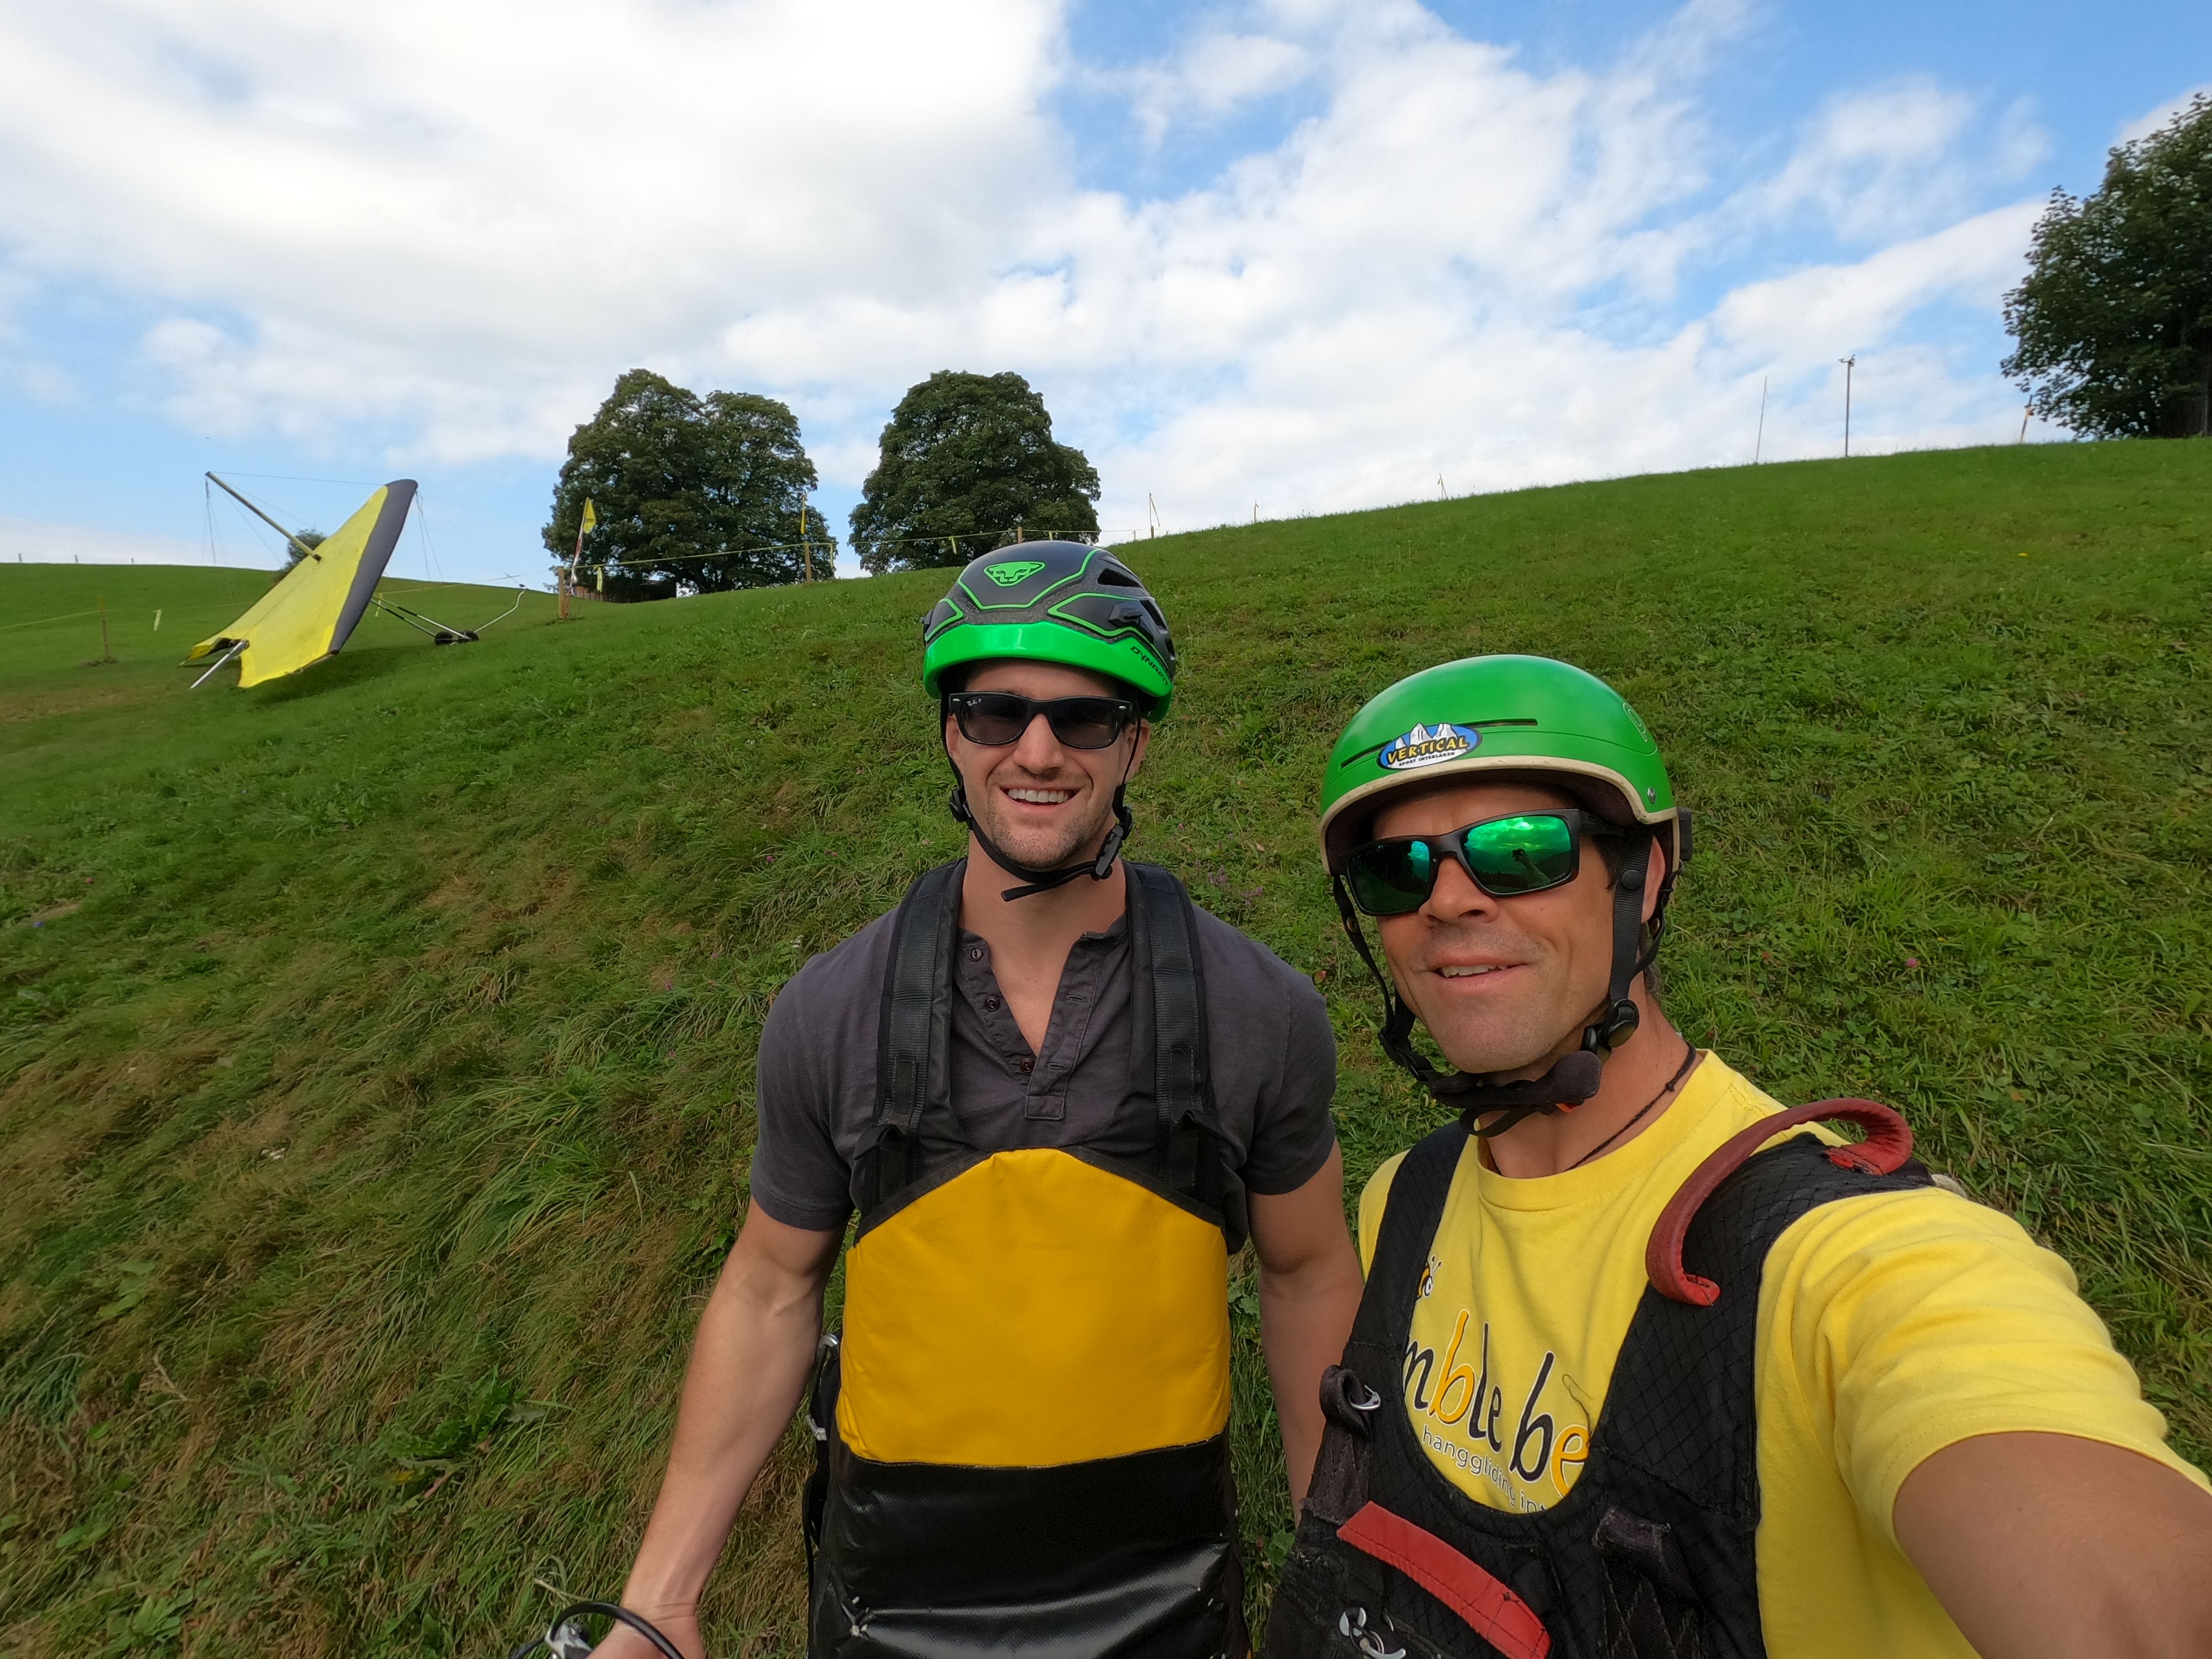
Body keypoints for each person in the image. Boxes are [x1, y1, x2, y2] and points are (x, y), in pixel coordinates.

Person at [1266, 655, 2212, 1659]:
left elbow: (2113, 1573)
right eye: (1397, 871)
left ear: (1642, 875)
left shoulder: (1843, 1267)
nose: (1449, 900)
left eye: (1520, 850)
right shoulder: (1405, 1200)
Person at [598, 543, 1365, 1659]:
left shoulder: (1259, 1011)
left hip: (1166, 1600)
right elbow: (769, 1287)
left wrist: (1335, 1577)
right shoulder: (830, 1012)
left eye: (1085, 718)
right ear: (951, 736)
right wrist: (660, 1598)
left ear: (1136, 744)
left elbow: (1308, 1277)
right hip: (892, 1603)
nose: (1037, 751)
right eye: (994, 712)